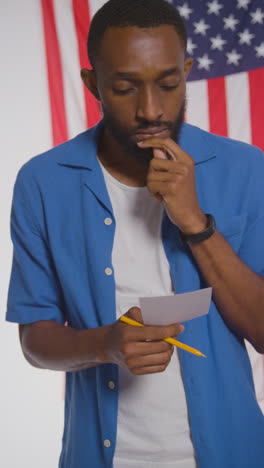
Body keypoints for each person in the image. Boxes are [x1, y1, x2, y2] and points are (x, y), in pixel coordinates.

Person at [6, 0, 264, 467]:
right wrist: (104, 344)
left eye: (169, 84)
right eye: (125, 88)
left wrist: (195, 223)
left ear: (187, 70)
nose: (151, 110)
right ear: (93, 85)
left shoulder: (246, 169)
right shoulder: (43, 181)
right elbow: (35, 340)